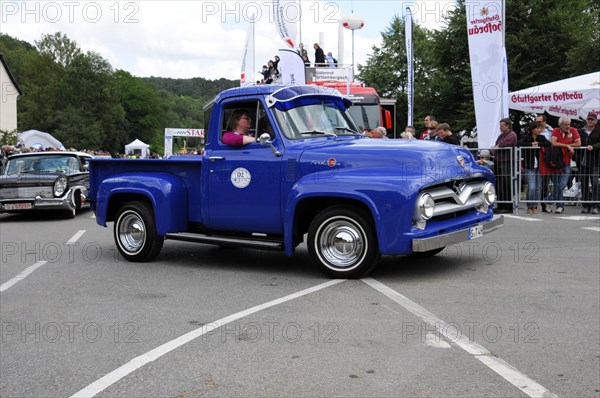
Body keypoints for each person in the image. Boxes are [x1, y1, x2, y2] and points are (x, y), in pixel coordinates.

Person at [542, 117, 581, 214]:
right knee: (557, 185)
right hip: (556, 162)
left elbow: (579, 143)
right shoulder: (555, 130)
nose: (568, 126)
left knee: (562, 184)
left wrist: (568, 145)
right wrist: (567, 146)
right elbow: (553, 142)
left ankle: (547, 200)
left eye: (569, 124)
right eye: (565, 124)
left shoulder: (573, 130)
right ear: (560, 125)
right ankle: (560, 206)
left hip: (567, 162)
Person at [518, 120, 551, 214]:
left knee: (538, 188)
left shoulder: (542, 137)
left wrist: (538, 144)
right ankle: (529, 206)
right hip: (530, 165)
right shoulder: (526, 137)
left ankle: (535, 206)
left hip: (540, 166)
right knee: (531, 187)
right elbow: (519, 143)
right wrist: (530, 144)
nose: (539, 129)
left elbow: (548, 144)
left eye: (540, 128)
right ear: (532, 129)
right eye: (537, 128)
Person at [493, 118, 517, 213]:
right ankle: (500, 205)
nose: (500, 127)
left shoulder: (512, 134)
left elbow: (504, 143)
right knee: (499, 184)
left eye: (502, 125)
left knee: (506, 184)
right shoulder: (501, 135)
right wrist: (497, 146)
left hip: (507, 162)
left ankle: (507, 207)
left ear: (508, 125)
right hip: (499, 161)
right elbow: (497, 144)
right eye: (500, 125)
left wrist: (498, 146)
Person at [578, 112, 600, 214]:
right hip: (583, 162)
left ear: (596, 121)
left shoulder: (598, 130)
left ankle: (596, 205)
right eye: (588, 119)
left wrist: (593, 146)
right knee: (584, 184)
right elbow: (577, 142)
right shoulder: (581, 131)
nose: (590, 121)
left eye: (592, 119)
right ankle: (586, 205)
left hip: (595, 161)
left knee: (595, 183)